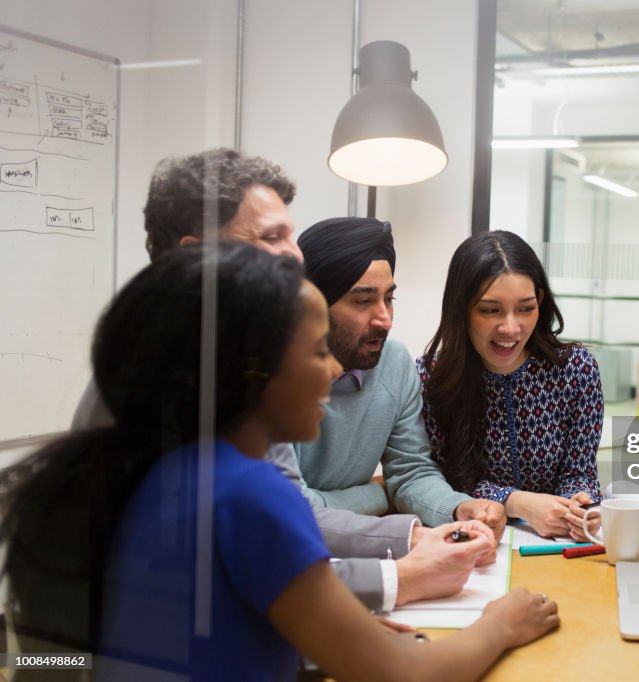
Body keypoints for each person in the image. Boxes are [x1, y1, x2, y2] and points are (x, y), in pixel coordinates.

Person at [0, 243, 558, 680]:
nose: (334, 371)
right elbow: (404, 673)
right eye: (317, 351)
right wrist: (500, 625)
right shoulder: (249, 493)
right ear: (252, 373)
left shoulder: (160, 475)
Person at [71, 148, 485, 613]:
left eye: (291, 235)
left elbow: (270, 537)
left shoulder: (231, 360)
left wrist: (419, 531)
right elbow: (272, 545)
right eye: (272, 236)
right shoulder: (164, 377)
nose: (294, 254)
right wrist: (400, 574)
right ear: (196, 258)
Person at [294, 217, 507, 537]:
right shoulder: (274, 376)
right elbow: (291, 509)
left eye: (389, 298)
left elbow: (410, 473)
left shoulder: (394, 363)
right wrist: (378, 494)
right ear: (314, 303)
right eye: (363, 301)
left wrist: (459, 508)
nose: (384, 318)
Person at [416, 231, 604, 541]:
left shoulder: (575, 369)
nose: (511, 328)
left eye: (526, 308)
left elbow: (579, 471)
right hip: (474, 544)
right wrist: (520, 503)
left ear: (540, 303)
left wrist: (578, 506)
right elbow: (436, 481)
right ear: (460, 309)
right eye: (490, 310)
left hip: (556, 548)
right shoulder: (430, 378)